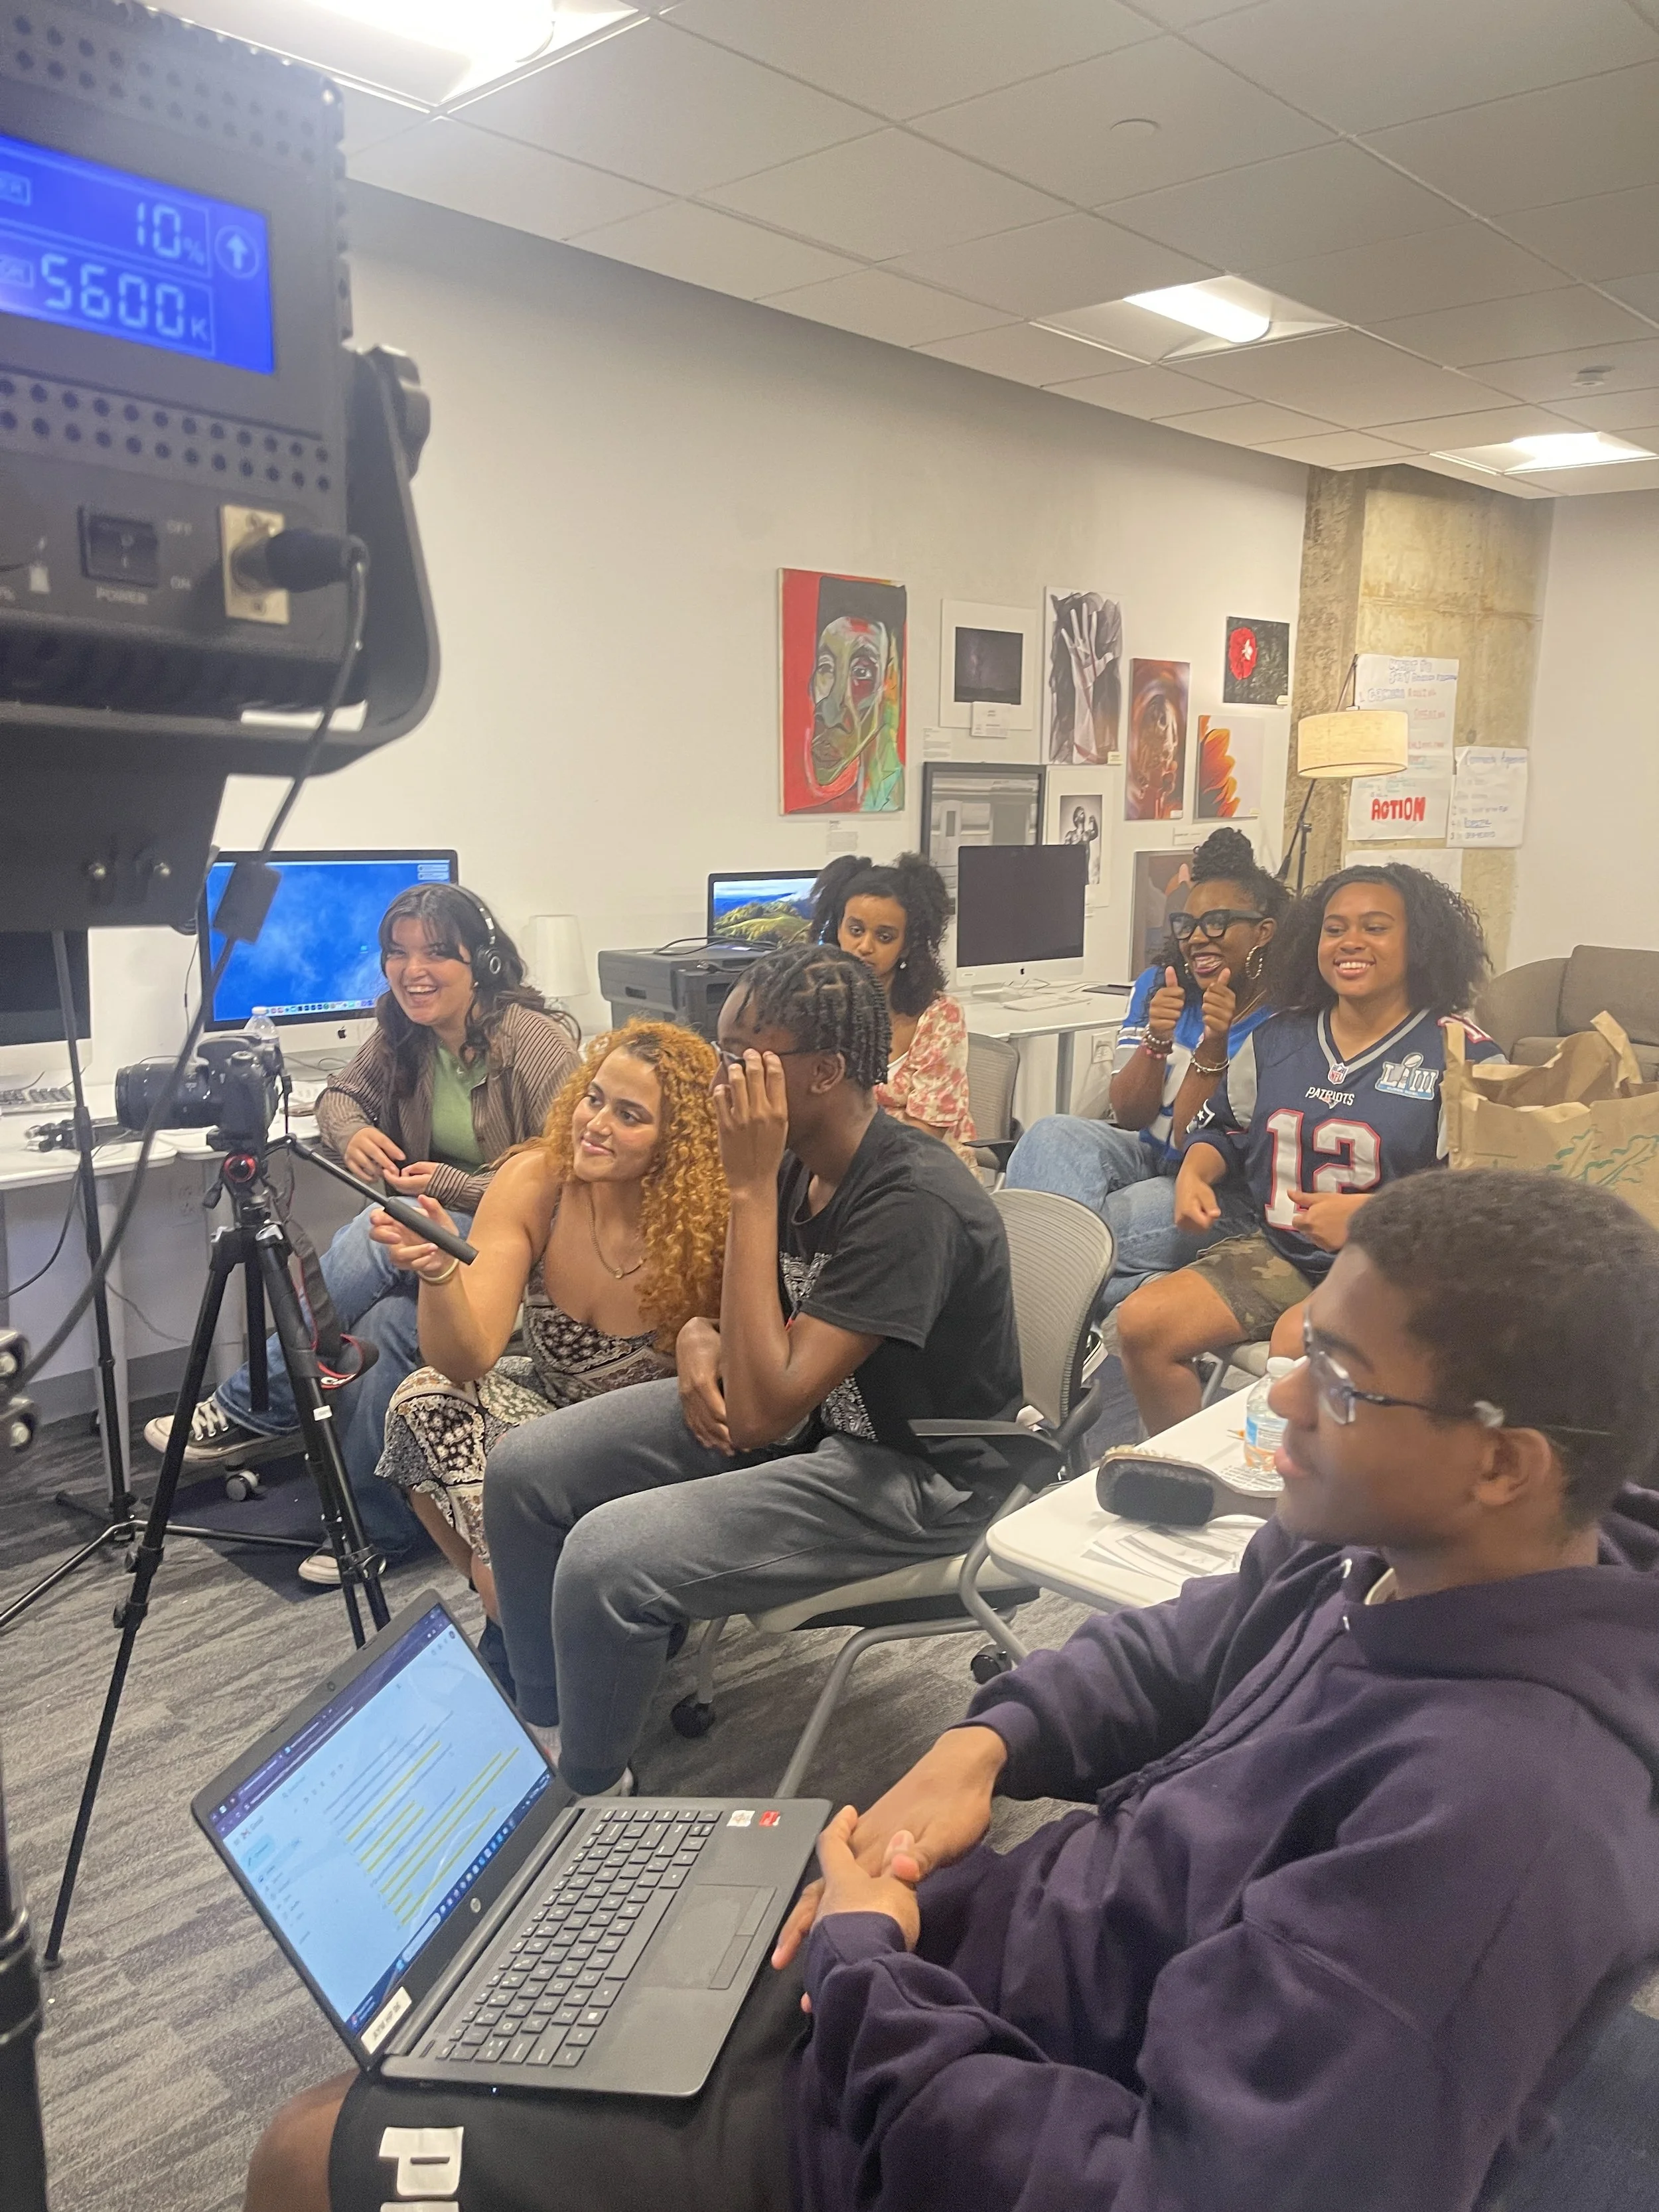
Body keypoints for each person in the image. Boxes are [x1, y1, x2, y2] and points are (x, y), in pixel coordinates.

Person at [248, 1169, 1659, 2212]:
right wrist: (992, 1734)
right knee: (523, 1977)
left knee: (313, 2155)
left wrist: (863, 1972)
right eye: (1304, 1344)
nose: (1278, 1394)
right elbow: (1181, 1641)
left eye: (1339, 1379)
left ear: (1502, 1461)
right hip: (954, 1969)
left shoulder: (1493, 1828)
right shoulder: (1380, 1556)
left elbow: (1160, 2189)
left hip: (947, 2099)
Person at [482, 941, 1021, 1799]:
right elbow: (756, 1331)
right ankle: (549, 1725)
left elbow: (765, 1412)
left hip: (917, 1476)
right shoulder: (799, 1162)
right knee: (522, 1472)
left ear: (824, 1071)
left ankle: (584, 1795)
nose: (720, 1081)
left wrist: (747, 1191)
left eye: (741, 1059)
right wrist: (701, 1331)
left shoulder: (909, 1202)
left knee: (603, 1559)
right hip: (819, 1420)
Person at [145, 885, 579, 1579]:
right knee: (386, 1331)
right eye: (398, 953)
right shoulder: (404, 1031)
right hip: (430, 1248)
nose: (414, 971)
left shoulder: (532, 1042)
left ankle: (257, 1403)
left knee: (377, 1231)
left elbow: (569, 1180)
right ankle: (370, 1533)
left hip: (518, 1248)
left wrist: (446, 1186)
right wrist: (353, 1135)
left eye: (437, 953)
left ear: (483, 963)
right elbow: (340, 1097)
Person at [368, 1020, 726, 1682]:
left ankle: (539, 1634)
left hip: (650, 1448)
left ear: (678, 1139)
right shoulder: (538, 1179)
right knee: (420, 1399)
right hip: (549, 1417)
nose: (595, 1124)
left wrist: (713, 1336)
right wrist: (439, 1273)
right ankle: (516, 1601)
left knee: (531, 1491)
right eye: (593, 1098)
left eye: (630, 1115)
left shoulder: (710, 1220)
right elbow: (467, 1357)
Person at [1118, 861, 1503, 1433]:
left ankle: (1308, 1508)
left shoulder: (1461, 1054)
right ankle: (1183, 1484)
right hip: (1283, 1252)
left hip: (1396, 1266)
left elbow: (1486, 1200)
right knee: (1142, 1323)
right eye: (1334, 928)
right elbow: (1225, 1126)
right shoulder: (1280, 1037)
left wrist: (1376, 1217)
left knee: (1295, 1341)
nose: (1351, 942)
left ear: (1418, 942)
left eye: (1375, 927)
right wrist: (1196, 1173)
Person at [1005, 827, 1286, 1314]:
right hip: (1147, 1153)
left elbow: (1186, 1136)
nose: (1198, 938)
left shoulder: (1286, 1022)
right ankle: (1140, 1293)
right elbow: (1130, 1112)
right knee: (1051, 1135)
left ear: (1263, 931)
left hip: (1221, 1195)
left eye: (1217, 922)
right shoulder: (1160, 984)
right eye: (1188, 924)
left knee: (1066, 1237)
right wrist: (1157, 1037)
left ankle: (1072, 1324)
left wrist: (1213, 1043)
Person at [810, 851, 974, 1157]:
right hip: (832, 1165)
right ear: (837, 929)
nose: (865, 947)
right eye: (855, 930)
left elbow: (924, 1135)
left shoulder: (939, 1017)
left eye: (884, 937)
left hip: (917, 1173)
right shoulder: (817, 1007)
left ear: (907, 945)